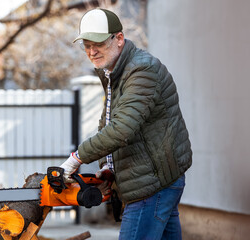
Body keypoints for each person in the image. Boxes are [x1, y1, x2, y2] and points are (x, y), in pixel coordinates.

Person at [59, 8, 192, 240]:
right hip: (156, 178)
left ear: (118, 38)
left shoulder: (142, 70)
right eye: (86, 45)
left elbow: (121, 129)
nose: (92, 51)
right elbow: (108, 121)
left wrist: (75, 159)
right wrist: (108, 166)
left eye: (98, 44)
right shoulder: (113, 71)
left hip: (151, 183)